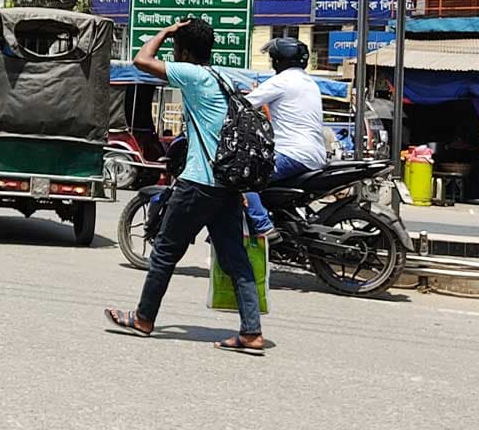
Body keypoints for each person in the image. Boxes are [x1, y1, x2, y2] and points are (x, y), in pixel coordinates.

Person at [104, 18, 265, 355]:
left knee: (164, 250)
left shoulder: (193, 74)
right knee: (235, 257)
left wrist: (163, 33)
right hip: (227, 184)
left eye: (177, 48)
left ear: (184, 50)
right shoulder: (223, 76)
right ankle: (251, 332)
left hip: (199, 182)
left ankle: (144, 318)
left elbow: (142, 61)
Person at [243, 38, 327, 241]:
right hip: (312, 153)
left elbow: (243, 104)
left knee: (241, 177)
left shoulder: (281, 81)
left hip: (292, 153)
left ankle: (263, 227)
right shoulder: (309, 82)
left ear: (278, 61)